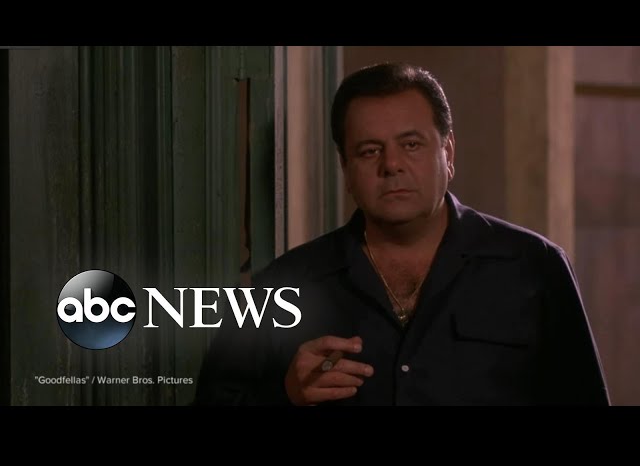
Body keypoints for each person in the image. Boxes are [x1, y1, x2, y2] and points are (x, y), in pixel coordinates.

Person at [194, 62, 610, 406]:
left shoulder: (534, 267)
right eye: (369, 150)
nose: (391, 165)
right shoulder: (280, 285)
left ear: (447, 153)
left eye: (411, 145)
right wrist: (284, 395)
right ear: (346, 169)